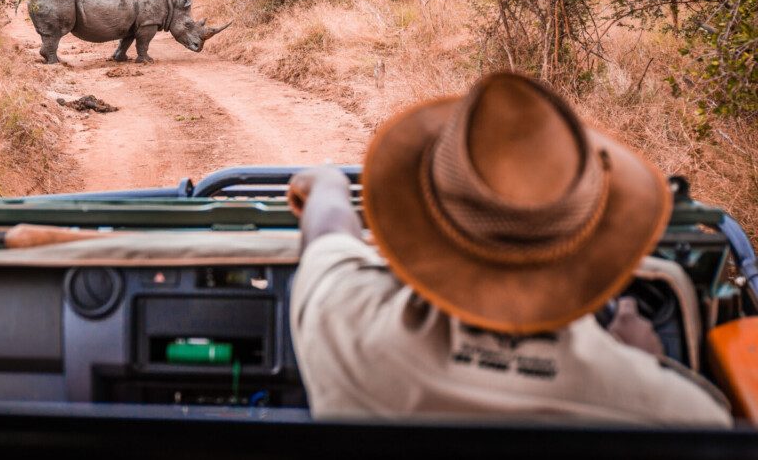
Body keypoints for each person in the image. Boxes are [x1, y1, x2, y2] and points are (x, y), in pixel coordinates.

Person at [287, 72, 732, 425]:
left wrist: (328, 182)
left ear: (423, 223)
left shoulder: (345, 327)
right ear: (593, 245)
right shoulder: (681, 415)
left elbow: (328, 237)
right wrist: (643, 362)